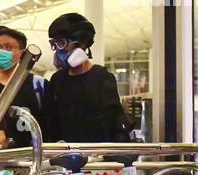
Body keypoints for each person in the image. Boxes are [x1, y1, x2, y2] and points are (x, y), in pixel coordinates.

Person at [40, 12, 131, 144]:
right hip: (64, 155)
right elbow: (50, 122)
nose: (58, 51)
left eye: (61, 43)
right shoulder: (57, 80)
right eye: (54, 44)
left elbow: (113, 121)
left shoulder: (102, 78)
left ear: (81, 44)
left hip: (96, 156)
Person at [0, 26, 45, 149]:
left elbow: (48, 122)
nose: (1, 52)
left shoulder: (38, 85)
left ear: (22, 53)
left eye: (8, 47)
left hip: (31, 155)